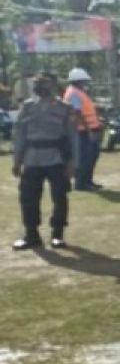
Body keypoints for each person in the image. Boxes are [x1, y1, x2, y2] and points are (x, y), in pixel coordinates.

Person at [12, 73, 76, 250]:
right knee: (28, 198)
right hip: (32, 159)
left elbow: (72, 137)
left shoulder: (65, 108)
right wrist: (17, 161)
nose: (40, 86)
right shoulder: (27, 107)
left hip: (56, 158)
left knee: (60, 197)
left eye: (44, 83)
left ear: (53, 85)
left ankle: (57, 234)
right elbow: (19, 136)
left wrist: (72, 162)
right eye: (37, 83)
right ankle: (31, 235)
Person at [61, 67, 102, 191]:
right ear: (78, 81)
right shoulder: (73, 93)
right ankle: (81, 183)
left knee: (92, 155)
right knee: (85, 157)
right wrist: (89, 130)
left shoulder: (78, 92)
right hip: (82, 131)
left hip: (88, 129)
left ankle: (88, 181)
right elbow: (78, 113)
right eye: (84, 80)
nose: (86, 83)